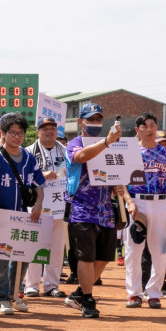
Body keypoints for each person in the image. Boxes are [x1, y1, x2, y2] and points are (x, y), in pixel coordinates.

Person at [62, 103, 124, 320]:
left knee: (105, 256)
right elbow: (80, 157)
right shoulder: (74, 143)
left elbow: (116, 171)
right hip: (81, 208)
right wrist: (106, 142)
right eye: (91, 119)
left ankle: (79, 293)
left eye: (99, 119)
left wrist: (118, 184)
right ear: (80, 121)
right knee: (86, 257)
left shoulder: (114, 145)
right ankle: (88, 298)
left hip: (105, 210)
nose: (95, 123)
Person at [0, 112, 45, 314]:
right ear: (4, 133)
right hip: (1, 215)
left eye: (21, 133)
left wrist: (38, 205)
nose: (17, 137)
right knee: (1, 258)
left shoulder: (28, 158)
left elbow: (39, 186)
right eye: (13, 133)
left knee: (23, 257)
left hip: (23, 217)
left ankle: (15, 294)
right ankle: (0, 298)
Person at [123, 113, 166, 309]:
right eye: (145, 126)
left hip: (160, 203)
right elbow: (121, 181)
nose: (149, 129)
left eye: (152, 125)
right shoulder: (130, 152)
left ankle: (154, 293)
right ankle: (134, 294)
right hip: (137, 203)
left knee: (159, 251)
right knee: (133, 250)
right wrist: (129, 202)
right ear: (137, 130)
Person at [24, 116, 68, 299]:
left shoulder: (65, 150)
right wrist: (41, 174)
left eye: (52, 127)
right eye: (45, 128)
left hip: (59, 205)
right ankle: (31, 285)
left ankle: (51, 285)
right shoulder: (28, 151)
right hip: (37, 204)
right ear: (38, 131)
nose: (49, 131)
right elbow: (22, 175)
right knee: (34, 244)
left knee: (57, 248)